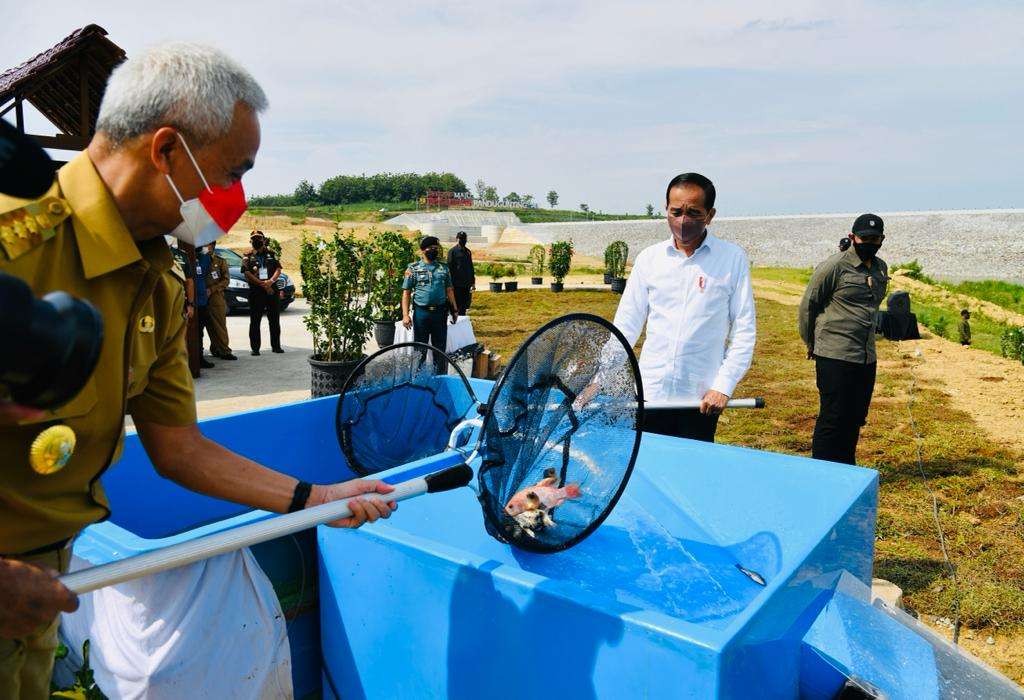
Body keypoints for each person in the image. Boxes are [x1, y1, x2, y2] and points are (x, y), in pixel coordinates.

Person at [0, 43, 394, 698]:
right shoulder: (16, 246)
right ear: (167, 152)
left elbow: (179, 448)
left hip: (37, 599)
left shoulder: (156, 280)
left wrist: (315, 500)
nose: (237, 194)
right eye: (234, 169)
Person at [611, 172, 756, 442]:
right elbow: (626, 324)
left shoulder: (731, 259)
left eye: (693, 213)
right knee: (644, 468)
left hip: (699, 399)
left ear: (710, 215)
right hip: (650, 394)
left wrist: (723, 386)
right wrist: (599, 376)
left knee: (690, 474)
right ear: (666, 209)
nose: (683, 221)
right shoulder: (650, 259)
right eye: (676, 212)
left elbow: (744, 329)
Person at [799, 213, 889, 465]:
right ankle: (824, 469)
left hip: (865, 355)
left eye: (876, 238)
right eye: (865, 238)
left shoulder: (881, 267)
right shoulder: (834, 266)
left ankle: (846, 466)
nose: (871, 242)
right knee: (833, 416)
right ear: (853, 237)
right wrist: (812, 343)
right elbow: (809, 305)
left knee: (855, 415)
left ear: (882, 239)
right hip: (834, 353)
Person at [402, 235, 459, 373]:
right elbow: (406, 293)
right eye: (431, 248)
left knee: (440, 348)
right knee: (420, 348)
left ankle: (439, 378)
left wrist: (455, 310)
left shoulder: (444, 268)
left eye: (436, 248)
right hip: (422, 313)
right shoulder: (413, 268)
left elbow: (449, 290)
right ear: (423, 250)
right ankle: (418, 378)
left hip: (440, 313)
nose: (434, 250)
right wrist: (405, 315)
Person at [242, 230, 283, 355]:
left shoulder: (271, 253)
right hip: (256, 292)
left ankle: (276, 346)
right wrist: (262, 284)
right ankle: (255, 349)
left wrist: (270, 281)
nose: (257, 241)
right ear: (251, 241)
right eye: (254, 239)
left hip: (271, 291)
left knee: (274, 320)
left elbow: (278, 269)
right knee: (255, 320)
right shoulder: (247, 256)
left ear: (264, 240)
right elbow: (246, 272)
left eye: (259, 238)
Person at [203, 243, 236, 360]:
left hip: (215, 297)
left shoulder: (220, 261)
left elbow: (226, 280)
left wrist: (212, 289)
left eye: (207, 244)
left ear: (212, 245)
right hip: (200, 297)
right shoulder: (197, 259)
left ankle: (224, 350)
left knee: (219, 324)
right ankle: (215, 348)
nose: (205, 246)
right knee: (206, 325)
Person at [194, 244, 215, 368]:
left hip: (201, 300)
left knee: (200, 331)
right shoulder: (183, 256)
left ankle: (199, 357)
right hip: (187, 300)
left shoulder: (205, 257)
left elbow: (207, 273)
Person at [447, 230, 475, 313]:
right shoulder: (452, 252)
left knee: (464, 306)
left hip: (466, 284)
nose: (462, 240)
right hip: (456, 284)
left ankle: (462, 320)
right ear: (457, 239)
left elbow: (470, 267)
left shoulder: (468, 252)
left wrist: (473, 282)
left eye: (464, 239)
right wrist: (449, 283)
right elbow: (449, 268)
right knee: (456, 305)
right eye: (460, 238)